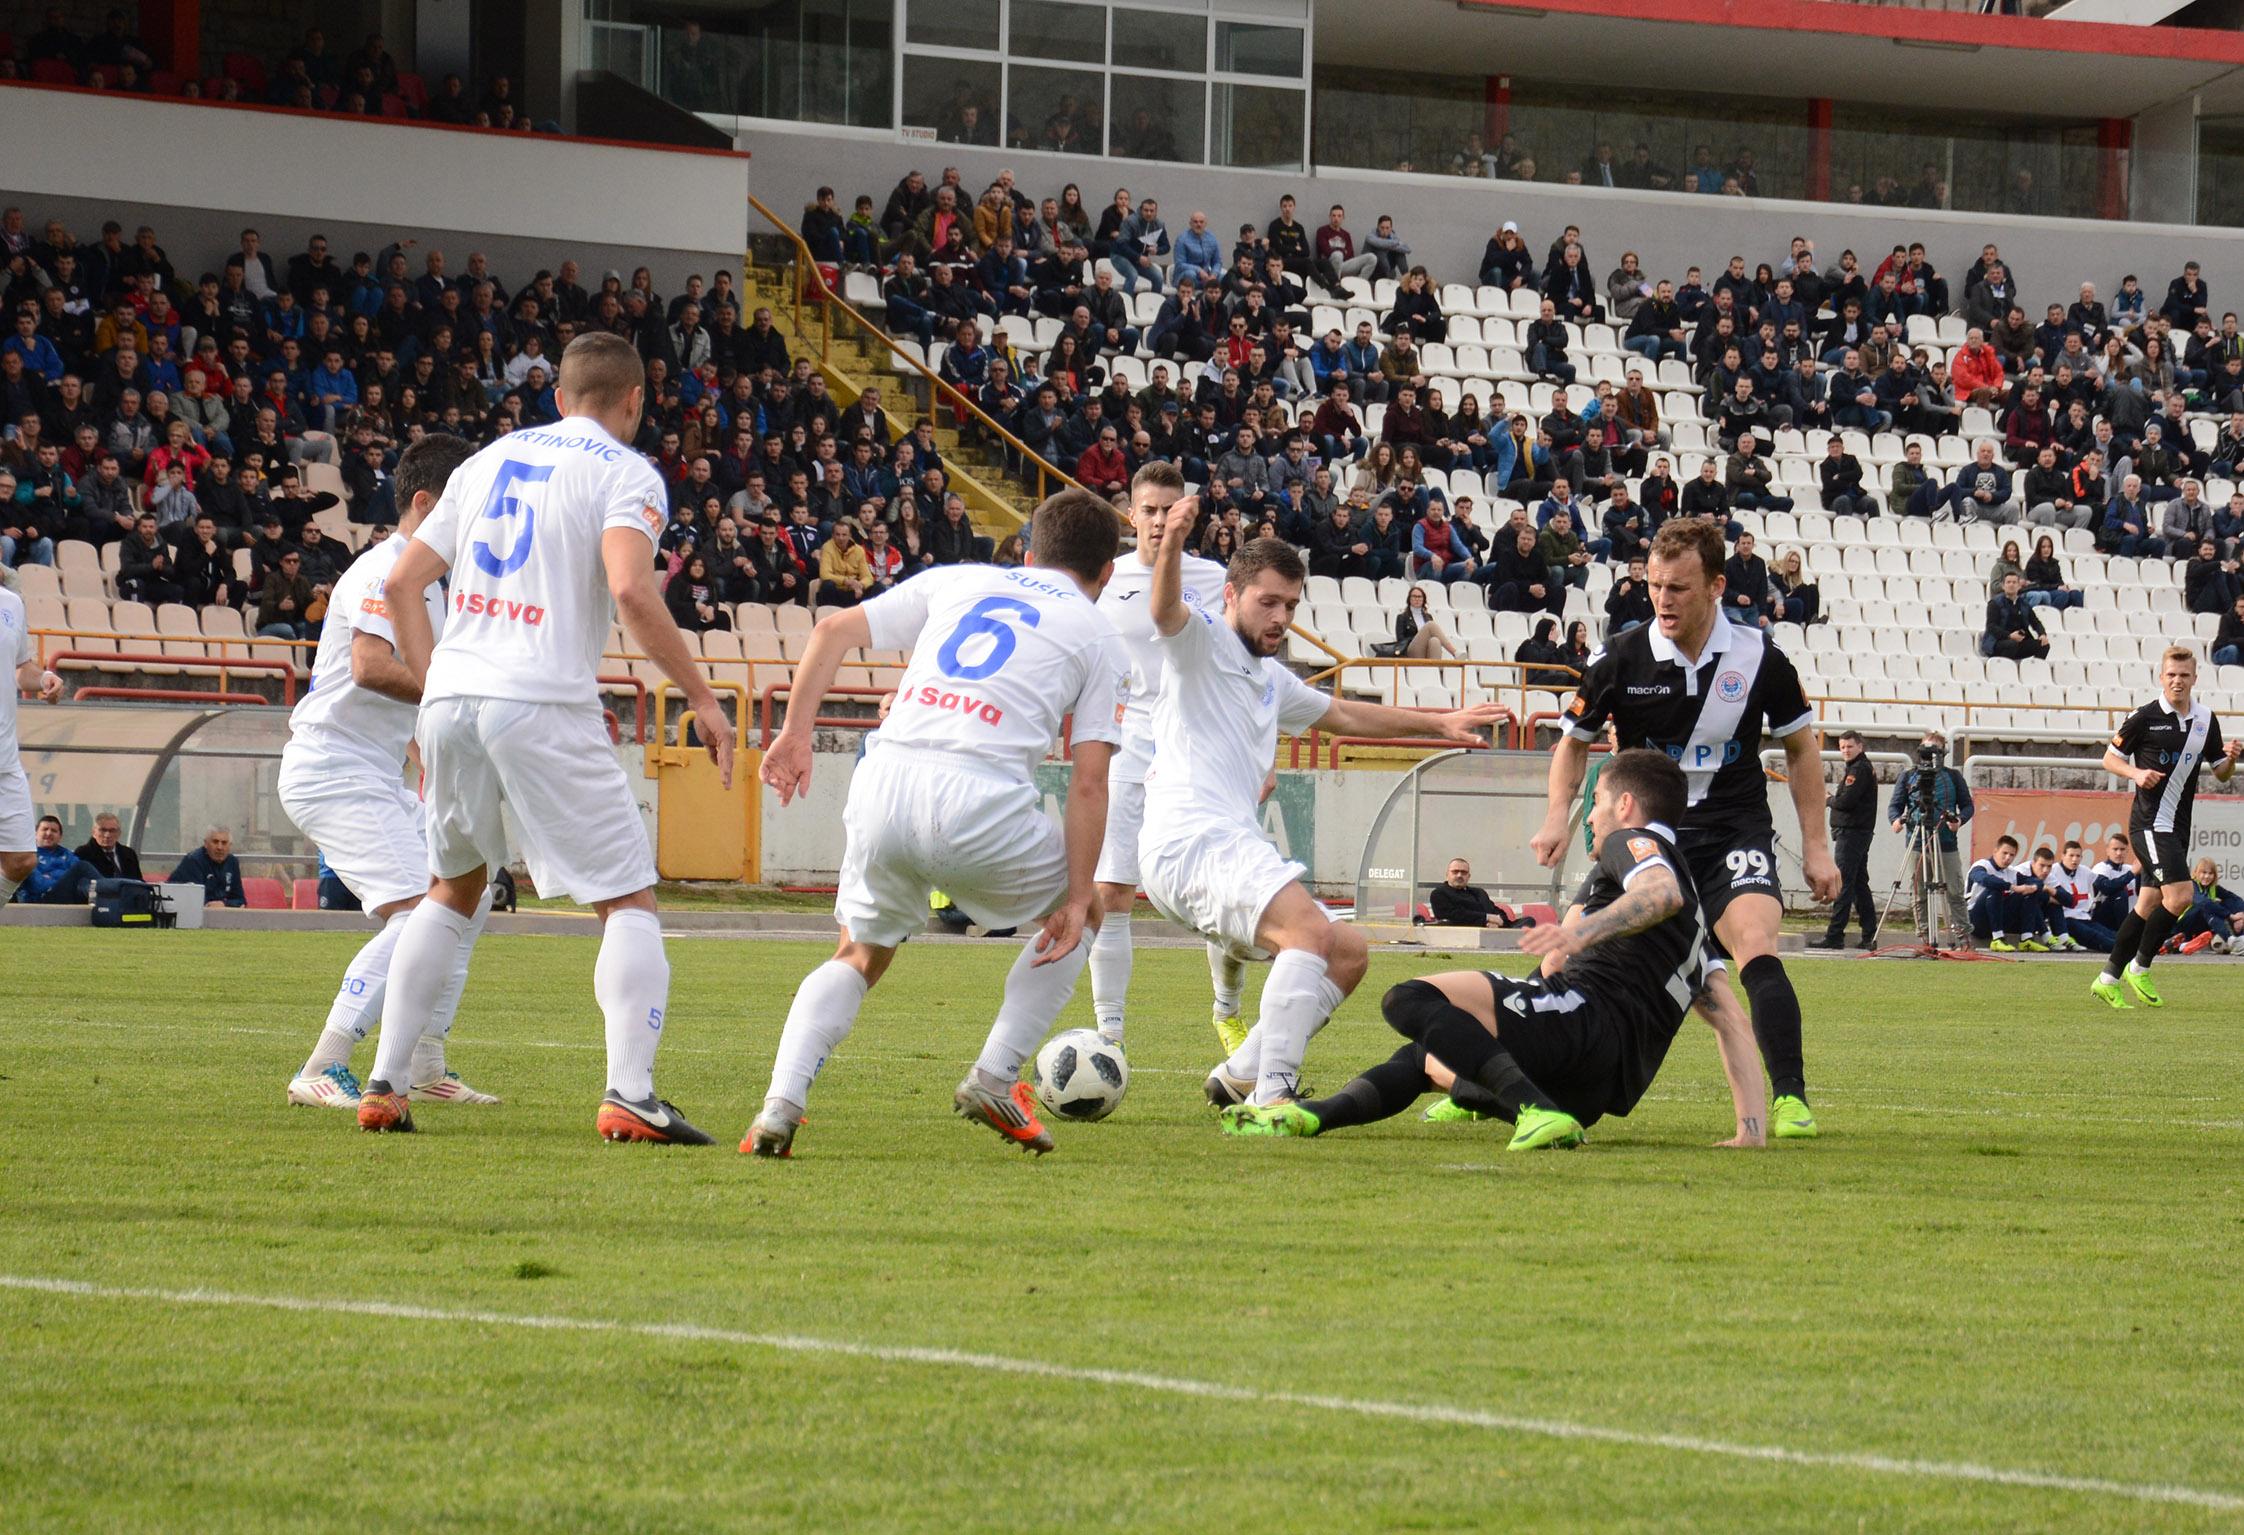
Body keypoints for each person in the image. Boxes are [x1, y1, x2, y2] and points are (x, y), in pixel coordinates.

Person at [361, 332, 736, 1141]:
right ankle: (630, 1092)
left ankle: (386, 1080)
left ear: (558, 397)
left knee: (450, 889)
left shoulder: (484, 461)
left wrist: (434, 691)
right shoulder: (625, 471)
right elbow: (634, 591)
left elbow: (400, 582)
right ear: (633, 400)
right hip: (541, 697)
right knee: (628, 898)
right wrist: (703, 699)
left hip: (455, 694)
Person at [745, 490, 1129, 1158]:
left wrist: (796, 735)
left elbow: (831, 630)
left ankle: (780, 1104)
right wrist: (1074, 894)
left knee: (859, 953)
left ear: (1027, 552)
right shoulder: (1098, 633)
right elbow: (1089, 781)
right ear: (1106, 575)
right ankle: (995, 1074)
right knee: (1086, 913)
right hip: (979, 799)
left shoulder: (960, 578)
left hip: (884, 780)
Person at [1139, 504, 1507, 1111]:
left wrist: (1439, 720)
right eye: (1268, 602)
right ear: (1231, 595)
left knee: (1348, 952)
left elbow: (1344, 714)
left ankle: (1239, 1073)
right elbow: (1164, 610)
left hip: (1223, 842)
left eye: (1290, 604)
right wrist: (1173, 542)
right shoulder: (1199, 643)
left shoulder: (1269, 676)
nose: (1281, 617)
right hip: (1190, 840)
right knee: (1309, 934)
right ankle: (1272, 1098)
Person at [1224, 749, 1768, 1152]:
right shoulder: (1699, 919)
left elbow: (1657, 893)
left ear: (1625, 804)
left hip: (1579, 1026)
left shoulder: (1635, 843)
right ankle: (1309, 1117)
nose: (1591, 816)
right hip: (1597, 1088)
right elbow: (1733, 1024)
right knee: (1430, 1053)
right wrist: (1751, 1131)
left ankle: (1530, 1108)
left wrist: (1578, 933)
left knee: (1408, 1000)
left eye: (1597, 802)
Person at [1534, 518, 1839, 1140]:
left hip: (1732, 830)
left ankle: (1790, 1101)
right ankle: (1484, 1077)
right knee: (1560, 951)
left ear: (1716, 586)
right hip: (1647, 840)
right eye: (1654, 586)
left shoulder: (1761, 657)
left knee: (1756, 941)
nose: (1663, 600)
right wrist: (1556, 818)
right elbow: (1573, 743)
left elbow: (1803, 751)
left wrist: (1816, 846)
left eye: (1677, 588)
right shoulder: (1620, 656)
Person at [277, 433, 499, 1111]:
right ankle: (325, 1060)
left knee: (472, 888)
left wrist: (433, 759)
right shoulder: (386, 570)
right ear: (428, 503)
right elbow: (372, 669)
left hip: (370, 769)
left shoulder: (430, 581)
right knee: (417, 911)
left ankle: (425, 1059)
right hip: (332, 767)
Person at [1085, 463, 1239, 1055]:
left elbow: (1241, 665)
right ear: (1131, 515)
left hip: (1197, 743)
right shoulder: (1106, 579)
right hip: (1126, 740)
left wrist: (1260, 753)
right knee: (1113, 891)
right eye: (1148, 510)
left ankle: (1227, 1012)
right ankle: (1110, 1034)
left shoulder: (1213, 577)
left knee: (1222, 884)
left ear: (1188, 514)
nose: (1159, 520)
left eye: (1170, 510)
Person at [2092, 648, 2239, 1009]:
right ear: (2161, 677)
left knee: (2149, 904)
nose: (2177, 681)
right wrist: (2136, 773)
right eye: (2171, 674)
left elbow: (2220, 772)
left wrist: (2231, 759)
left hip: (2177, 826)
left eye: (2184, 675)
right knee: (2181, 896)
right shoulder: (2144, 717)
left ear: (2194, 678)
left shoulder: (2205, 719)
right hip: (2149, 823)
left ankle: (2107, 978)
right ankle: (2140, 966)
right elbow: (2110, 759)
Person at [0, 577, 63, 910]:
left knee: (22, 860)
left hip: (4, 758)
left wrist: (43, 678)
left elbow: (21, 667)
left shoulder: (11, 603)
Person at [1811, 728, 1878, 949]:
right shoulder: (1859, 768)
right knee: (1859, 885)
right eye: (1842, 747)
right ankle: (1870, 934)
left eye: (1849, 746)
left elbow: (1846, 802)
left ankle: (1835, 935)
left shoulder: (1858, 770)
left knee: (1844, 883)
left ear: (1860, 746)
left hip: (1852, 834)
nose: (1845, 751)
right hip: (1857, 833)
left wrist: (1829, 799)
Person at [1967, 835, 2052, 952]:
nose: (2008, 858)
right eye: (2004, 853)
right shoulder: (1981, 865)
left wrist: (2032, 887)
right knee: (1995, 887)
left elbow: (2036, 882)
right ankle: (1998, 939)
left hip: (1999, 918)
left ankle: (2027, 939)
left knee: (2030, 891)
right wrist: (2012, 887)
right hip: (1976, 920)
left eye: (2012, 855)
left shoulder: (2011, 872)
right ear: (1995, 851)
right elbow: (1985, 879)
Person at [2046, 839, 2117, 953]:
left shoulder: (2085, 871)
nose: (2075, 859)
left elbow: (2105, 886)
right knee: (2101, 939)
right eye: (2071, 855)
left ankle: (2139, 948)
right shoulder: (2052, 871)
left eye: (2078, 856)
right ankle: (2129, 951)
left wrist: (2130, 875)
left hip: (2084, 917)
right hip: (2066, 920)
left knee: (2112, 935)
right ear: (2063, 856)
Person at [13, 814, 96, 903]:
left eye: (54, 831)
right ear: (35, 833)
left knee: (84, 875)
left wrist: (50, 877)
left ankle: (108, 889)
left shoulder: (67, 855)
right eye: (45, 829)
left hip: (67, 903)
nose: (49, 833)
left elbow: (80, 879)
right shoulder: (27, 855)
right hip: (38, 904)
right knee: (82, 867)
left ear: (60, 837)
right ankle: (109, 888)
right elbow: (39, 885)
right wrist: (67, 879)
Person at [2176, 856, 2244, 954]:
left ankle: (2240, 937)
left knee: (2227, 902)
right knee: (2208, 906)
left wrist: (2240, 916)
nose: (2207, 876)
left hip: (2201, 925)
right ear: (2196, 873)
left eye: (2210, 873)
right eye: (2204, 873)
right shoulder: (2191, 885)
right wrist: (2231, 916)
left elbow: (2235, 898)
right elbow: (2203, 902)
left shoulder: (2213, 888)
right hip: (2184, 924)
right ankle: (2231, 940)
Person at [168, 825, 247, 907]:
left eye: (224, 843)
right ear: (206, 844)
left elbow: (241, 900)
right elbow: (196, 899)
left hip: (220, 913)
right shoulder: (194, 860)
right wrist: (224, 905)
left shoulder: (232, 862)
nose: (219, 847)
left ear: (230, 845)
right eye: (215, 842)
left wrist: (224, 904)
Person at [1983, 570, 2049, 661]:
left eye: (2014, 582)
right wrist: (2009, 635)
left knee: (2044, 644)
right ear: (2003, 586)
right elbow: (1991, 626)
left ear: (2019, 586)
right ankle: (2005, 669)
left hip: (2018, 643)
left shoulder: (2024, 604)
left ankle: (2032, 671)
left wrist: (2042, 634)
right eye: (2008, 582)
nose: (2011, 585)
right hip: (1997, 643)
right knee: (2011, 644)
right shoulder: (1995, 603)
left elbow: (2035, 622)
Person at [1427, 857, 1505, 928]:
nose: (1459, 875)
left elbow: (1497, 912)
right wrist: (1487, 918)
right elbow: (1453, 916)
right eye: (1455, 872)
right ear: (1447, 875)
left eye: (1464, 872)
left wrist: (1499, 922)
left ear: (1469, 876)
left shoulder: (1480, 893)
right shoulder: (1439, 894)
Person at [1393, 583, 1458, 661]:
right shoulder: (1402, 617)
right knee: (1430, 625)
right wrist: (1419, 638)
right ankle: (1454, 652)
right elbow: (1400, 640)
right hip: (1410, 650)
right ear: (1409, 599)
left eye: (1419, 596)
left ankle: (1434, 670)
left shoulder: (1428, 617)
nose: (1417, 599)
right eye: (1414, 596)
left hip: (1426, 649)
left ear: (1423, 599)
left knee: (1435, 641)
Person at [75, 811, 142, 881]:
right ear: (94, 832)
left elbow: (138, 881)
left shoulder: (129, 853)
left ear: (119, 833)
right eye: (103, 830)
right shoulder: (83, 853)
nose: (107, 835)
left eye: (112, 830)